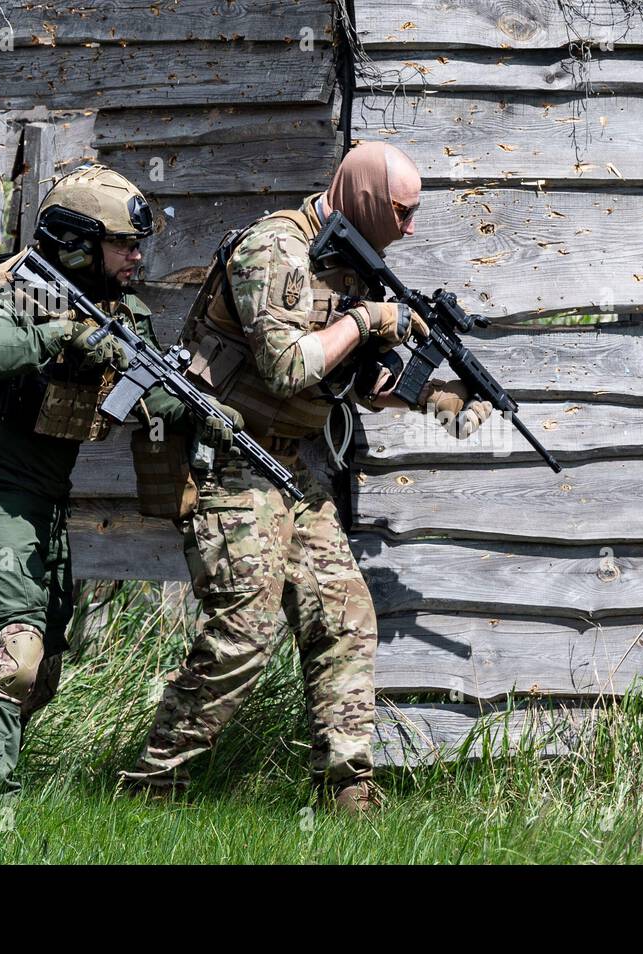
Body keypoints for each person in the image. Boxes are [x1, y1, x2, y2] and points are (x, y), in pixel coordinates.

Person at [119, 142, 493, 811]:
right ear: (369, 201)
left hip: (293, 467)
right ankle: (152, 789)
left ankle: (348, 793)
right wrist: (365, 319)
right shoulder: (274, 249)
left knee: (345, 619)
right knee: (245, 630)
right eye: (403, 213)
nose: (411, 229)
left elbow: (355, 379)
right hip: (232, 462)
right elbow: (288, 367)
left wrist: (441, 400)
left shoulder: (355, 266)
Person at [0, 163, 242, 791]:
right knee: (16, 655)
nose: (136, 256)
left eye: (138, 244)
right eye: (123, 244)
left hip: (47, 504)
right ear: (76, 242)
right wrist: (64, 337)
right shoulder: (9, 292)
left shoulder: (123, 311)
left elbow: (148, 397)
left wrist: (203, 414)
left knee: (37, 673)